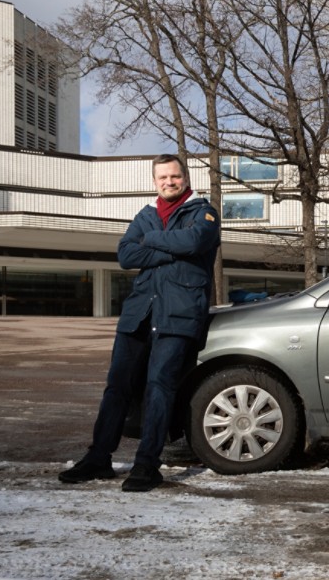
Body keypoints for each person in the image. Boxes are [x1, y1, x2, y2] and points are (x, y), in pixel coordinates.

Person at [59, 154, 221, 492]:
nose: (168, 182)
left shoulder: (204, 213)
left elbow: (194, 242)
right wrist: (169, 247)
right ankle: (98, 458)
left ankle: (147, 465)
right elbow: (126, 256)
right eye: (162, 177)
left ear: (185, 178)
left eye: (174, 176)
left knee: (159, 387)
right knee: (117, 387)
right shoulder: (145, 215)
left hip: (178, 316)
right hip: (139, 314)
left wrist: (149, 240)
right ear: (154, 181)